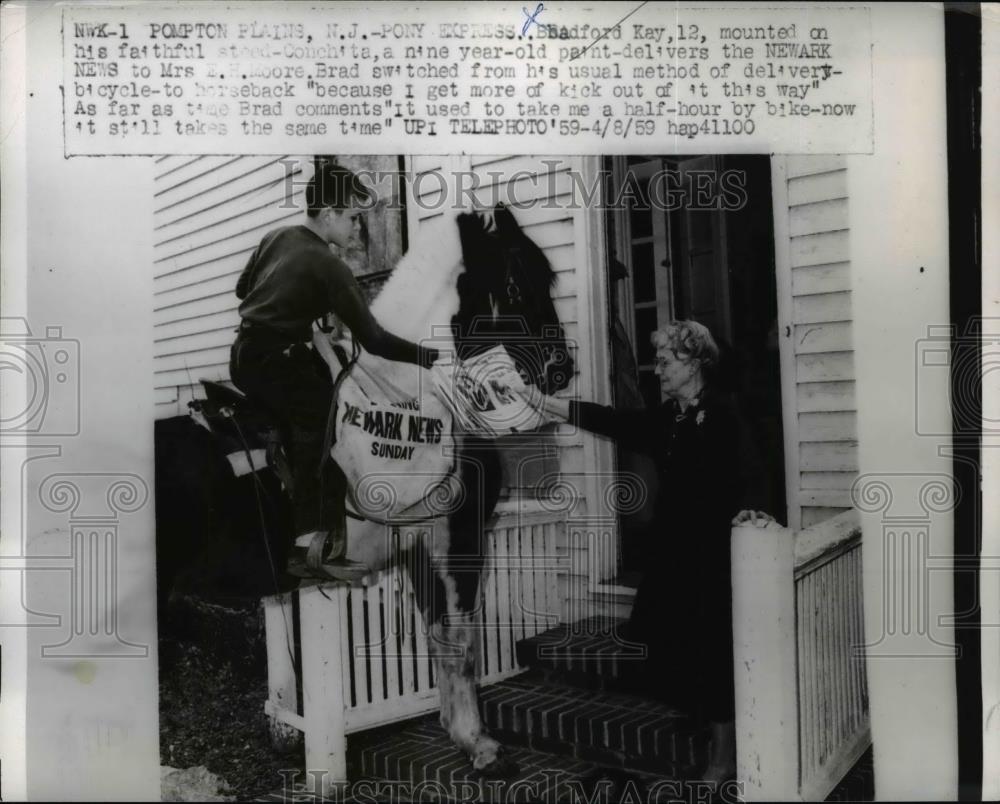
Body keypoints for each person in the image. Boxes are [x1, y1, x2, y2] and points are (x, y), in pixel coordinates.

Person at [519, 320, 771, 785]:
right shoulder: (669, 418)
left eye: (667, 361)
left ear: (696, 364)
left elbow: (752, 472)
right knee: (670, 640)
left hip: (712, 555)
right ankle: (699, 715)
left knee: (713, 652)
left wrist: (752, 511)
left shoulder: (722, 412)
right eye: (659, 361)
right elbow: (611, 420)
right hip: (674, 552)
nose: (659, 371)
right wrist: (544, 402)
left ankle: (722, 757)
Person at [229, 160, 438, 581]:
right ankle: (309, 546)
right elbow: (375, 340)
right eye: (353, 219)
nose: (357, 231)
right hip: (276, 361)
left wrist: (296, 306)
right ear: (329, 214)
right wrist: (431, 358)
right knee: (332, 426)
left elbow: (241, 289)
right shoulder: (328, 265)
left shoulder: (277, 237)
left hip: (245, 354)